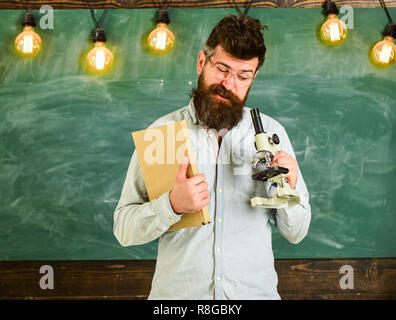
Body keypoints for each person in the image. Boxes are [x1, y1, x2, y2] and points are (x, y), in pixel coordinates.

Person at [113, 14, 311, 300]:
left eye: (242, 76)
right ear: (201, 62)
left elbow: (297, 232)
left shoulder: (270, 134)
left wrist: (288, 189)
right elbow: (124, 229)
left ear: (253, 77)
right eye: (221, 69)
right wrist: (171, 206)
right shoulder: (164, 134)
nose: (229, 83)